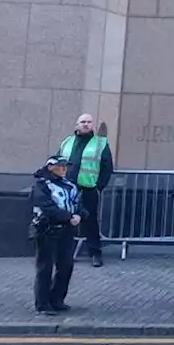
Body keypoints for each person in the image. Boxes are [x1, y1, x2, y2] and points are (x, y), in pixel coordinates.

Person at [29, 155, 85, 315]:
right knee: (45, 268)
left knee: (66, 266)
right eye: (60, 166)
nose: (64, 169)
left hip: (66, 230)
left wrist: (79, 214)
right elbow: (46, 206)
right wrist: (68, 216)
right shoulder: (42, 184)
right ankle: (43, 304)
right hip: (46, 230)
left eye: (65, 166)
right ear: (51, 167)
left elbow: (77, 203)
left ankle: (57, 299)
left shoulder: (69, 186)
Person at [58, 113, 113, 267]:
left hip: (89, 188)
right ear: (77, 125)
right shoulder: (67, 142)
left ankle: (95, 253)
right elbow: (58, 163)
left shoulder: (100, 143)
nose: (86, 124)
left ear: (92, 126)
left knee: (90, 221)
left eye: (89, 122)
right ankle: (63, 252)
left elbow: (107, 167)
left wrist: (99, 187)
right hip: (68, 188)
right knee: (65, 219)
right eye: (83, 122)